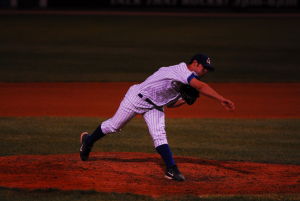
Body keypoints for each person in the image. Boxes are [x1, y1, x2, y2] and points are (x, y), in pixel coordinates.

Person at [80, 54, 235, 181]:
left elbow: (170, 105)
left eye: (208, 69)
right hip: (137, 98)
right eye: (204, 67)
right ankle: (88, 141)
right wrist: (221, 99)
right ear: (194, 63)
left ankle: (171, 170)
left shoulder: (186, 82)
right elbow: (201, 87)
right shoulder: (181, 71)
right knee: (114, 126)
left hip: (154, 106)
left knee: (159, 135)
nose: (205, 71)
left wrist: (184, 101)